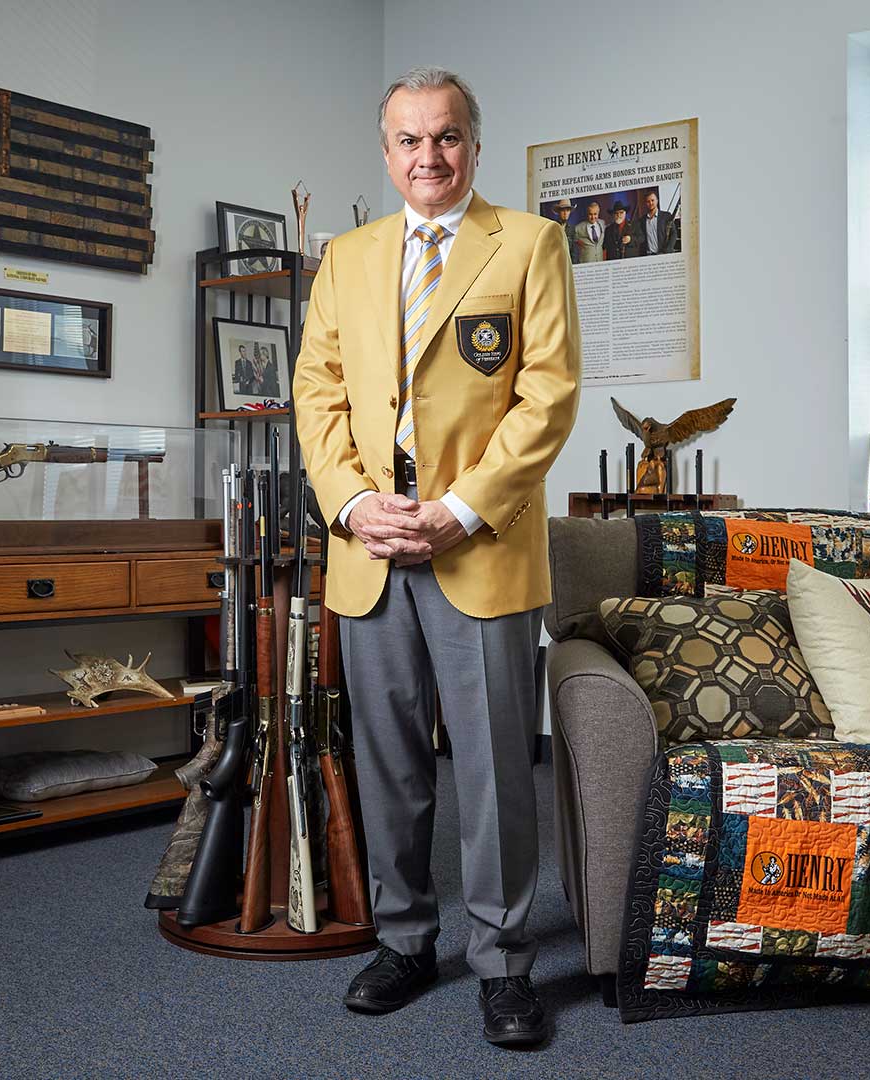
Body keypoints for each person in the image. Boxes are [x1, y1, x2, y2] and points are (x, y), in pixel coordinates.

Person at [292, 65, 579, 1049]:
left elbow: (549, 397)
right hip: (371, 550)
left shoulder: (530, 244)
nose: (429, 156)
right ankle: (405, 942)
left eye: (446, 136)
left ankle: (503, 963)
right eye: (409, 140)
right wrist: (351, 503)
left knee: (496, 771)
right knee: (390, 768)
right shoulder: (346, 257)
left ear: (474, 144)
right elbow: (317, 395)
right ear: (387, 154)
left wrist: (460, 510)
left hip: (478, 548)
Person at [633, 189, 678, 256]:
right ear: (646, 203)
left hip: (664, 254)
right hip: (648, 256)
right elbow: (641, 238)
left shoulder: (666, 216)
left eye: (652, 200)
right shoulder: (641, 220)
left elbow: (674, 234)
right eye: (648, 201)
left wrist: (667, 251)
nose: (651, 203)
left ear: (657, 200)